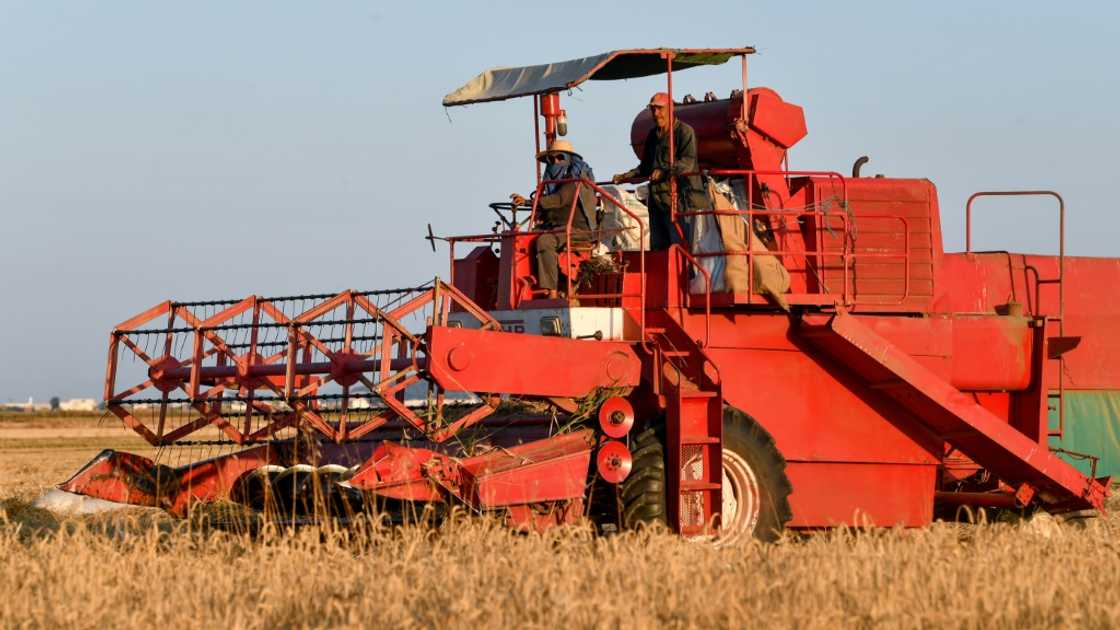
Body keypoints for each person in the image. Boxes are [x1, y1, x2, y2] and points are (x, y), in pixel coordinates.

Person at [612, 92, 710, 250]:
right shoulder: (652, 135)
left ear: (670, 109)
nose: (656, 113)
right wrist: (625, 176)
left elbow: (688, 162)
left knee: (680, 249)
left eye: (659, 109)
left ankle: (687, 275)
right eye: (653, 109)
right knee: (659, 248)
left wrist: (664, 172)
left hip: (681, 200)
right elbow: (645, 167)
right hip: (658, 201)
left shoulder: (685, 132)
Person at [510, 139, 598, 300]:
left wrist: (529, 202)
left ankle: (551, 292)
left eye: (560, 157)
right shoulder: (549, 184)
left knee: (545, 241)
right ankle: (522, 290)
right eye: (551, 159)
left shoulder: (575, 181)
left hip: (578, 231)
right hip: (557, 228)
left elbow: (558, 200)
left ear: (570, 160)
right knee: (523, 239)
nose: (555, 162)